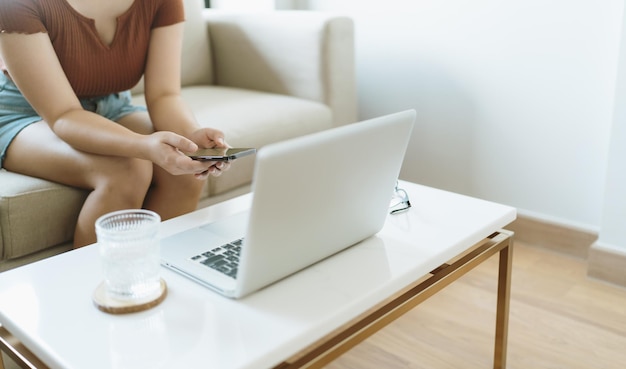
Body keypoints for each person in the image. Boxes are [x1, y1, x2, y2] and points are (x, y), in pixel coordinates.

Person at [0, 0, 230, 248]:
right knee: (129, 169)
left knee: (187, 168)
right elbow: (64, 115)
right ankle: (93, 283)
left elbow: (165, 95)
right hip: (27, 114)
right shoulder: (17, 5)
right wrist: (142, 145)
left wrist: (191, 136)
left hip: (111, 106)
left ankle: (166, 275)